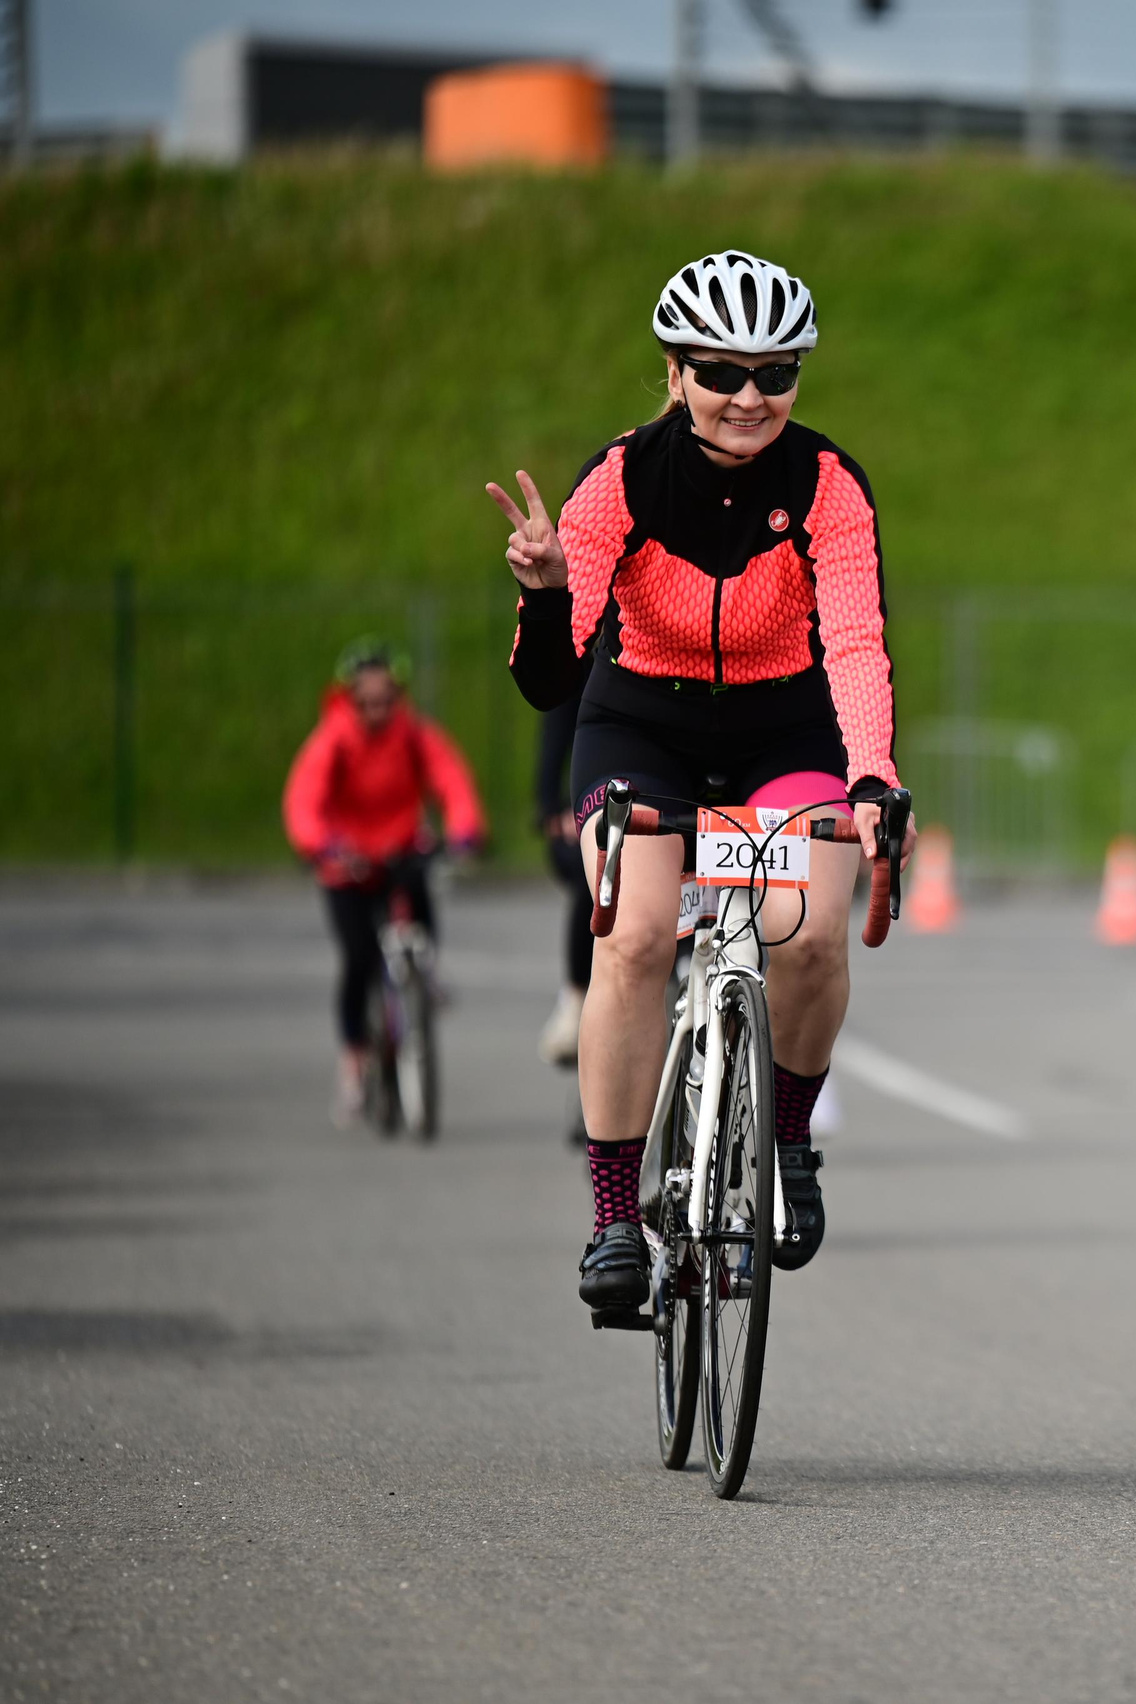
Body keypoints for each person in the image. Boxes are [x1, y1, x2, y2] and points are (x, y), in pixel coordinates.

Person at [489, 250, 901, 1318]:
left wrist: (869, 779)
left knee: (808, 932)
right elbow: (549, 682)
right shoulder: (620, 479)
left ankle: (791, 1143)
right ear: (674, 374)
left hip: (784, 727)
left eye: (777, 372)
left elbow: (854, 642)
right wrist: (541, 595)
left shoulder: (828, 485)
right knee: (631, 938)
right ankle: (615, 1216)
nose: (750, 397)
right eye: (721, 371)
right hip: (642, 725)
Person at [282, 639, 487, 1126]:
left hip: (397, 847)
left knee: (419, 889)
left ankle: (424, 971)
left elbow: (451, 779)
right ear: (349, 698)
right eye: (366, 702)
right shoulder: (332, 741)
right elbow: (304, 799)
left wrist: (463, 830)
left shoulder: (412, 735)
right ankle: (354, 1057)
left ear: (397, 696)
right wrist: (320, 843)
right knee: (356, 959)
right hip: (346, 862)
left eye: (385, 700)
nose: (376, 710)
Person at [532, 700, 590, 1071]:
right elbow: (554, 742)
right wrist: (553, 810)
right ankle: (576, 996)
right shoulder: (585, 653)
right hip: (590, 807)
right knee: (595, 870)